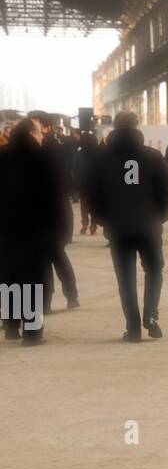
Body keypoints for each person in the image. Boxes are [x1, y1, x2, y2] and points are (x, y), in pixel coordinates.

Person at [82, 110, 168, 341]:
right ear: (137, 126)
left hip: (117, 228)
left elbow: (90, 193)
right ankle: (151, 315)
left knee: (125, 277)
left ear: (113, 127)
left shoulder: (101, 159)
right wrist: (160, 216)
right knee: (154, 270)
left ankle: (132, 327)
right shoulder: (152, 156)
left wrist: (103, 218)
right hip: (149, 226)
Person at [0, 117, 63, 345]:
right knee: (34, 278)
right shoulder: (42, 158)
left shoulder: (2, 155)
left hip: (6, 229)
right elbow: (54, 197)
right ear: (29, 133)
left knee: (9, 276)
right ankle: (32, 331)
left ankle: (10, 325)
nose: (42, 135)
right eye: (38, 132)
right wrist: (57, 228)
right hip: (36, 229)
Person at [27, 110, 78, 310]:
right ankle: (66, 296)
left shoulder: (49, 151)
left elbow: (57, 187)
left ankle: (58, 298)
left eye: (35, 126)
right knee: (53, 257)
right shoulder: (42, 150)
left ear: (46, 128)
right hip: (51, 216)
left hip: (54, 216)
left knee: (52, 256)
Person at [74, 131, 100, 234]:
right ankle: (93, 224)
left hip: (83, 184)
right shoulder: (99, 153)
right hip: (95, 184)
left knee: (84, 205)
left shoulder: (79, 153)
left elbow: (74, 168)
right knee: (94, 204)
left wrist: (76, 182)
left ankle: (85, 223)